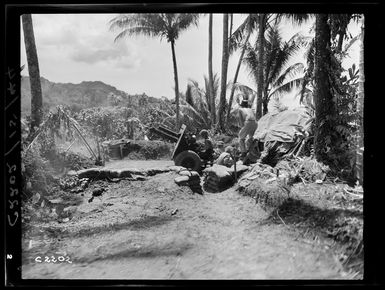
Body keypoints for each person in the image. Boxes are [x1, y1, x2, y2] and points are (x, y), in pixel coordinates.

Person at [237, 94, 258, 159]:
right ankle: (252, 150)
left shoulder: (240, 109)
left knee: (241, 138)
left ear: (241, 105)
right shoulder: (250, 109)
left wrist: (242, 128)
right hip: (255, 123)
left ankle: (243, 152)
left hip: (248, 122)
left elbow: (241, 120)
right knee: (251, 137)